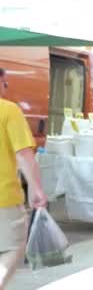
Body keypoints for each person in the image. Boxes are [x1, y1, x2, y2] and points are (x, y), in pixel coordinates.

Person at [0, 68, 47, 290]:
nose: (6, 87)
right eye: (5, 83)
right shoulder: (8, 110)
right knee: (14, 246)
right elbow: (24, 155)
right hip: (4, 198)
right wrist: (36, 189)